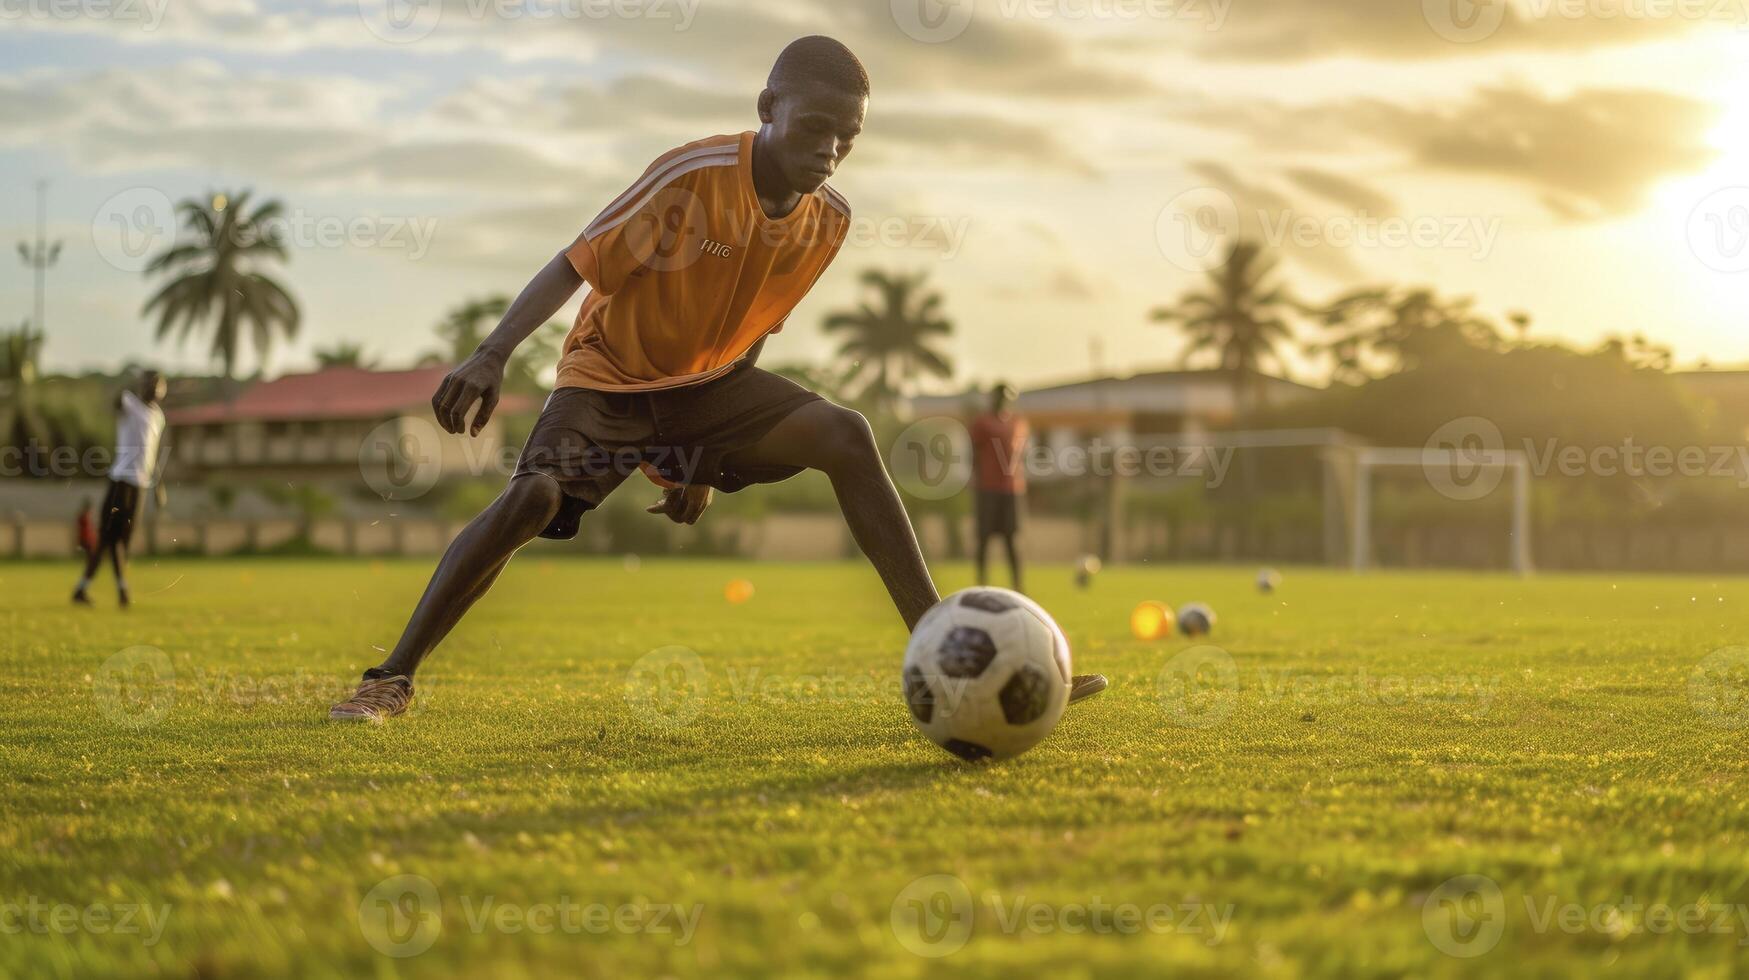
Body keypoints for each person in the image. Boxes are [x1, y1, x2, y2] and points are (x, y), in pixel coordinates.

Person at [329, 36, 1107, 721]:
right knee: (531, 498)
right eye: (813, 127)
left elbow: (753, 326)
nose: (830, 149)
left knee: (846, 432)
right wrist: (492, 354)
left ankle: (949, 650)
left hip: (710, 388)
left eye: (848, 136)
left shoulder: (827, 220)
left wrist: (700, 457)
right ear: (768, 106)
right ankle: (389, 678)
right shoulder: (691, 175)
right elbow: (576, 262)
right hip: (609, 379)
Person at [73, 370, 166, 608]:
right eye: (151, 382)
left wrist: (158, 484)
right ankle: (112, 590)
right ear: (143, 385)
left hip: (141, 485)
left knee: (121, 541)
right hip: (121, 480)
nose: (155, 387)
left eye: (159, 383)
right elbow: (117, 399)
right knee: (107, 538)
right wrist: (133, 382)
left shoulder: (159, 418)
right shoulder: (130, 403)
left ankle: (92, 590)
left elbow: (151, 454)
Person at [970, 383, 1028, 592]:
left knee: (1011, 538)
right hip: (987, 487)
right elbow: (974, 453)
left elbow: (1020, 455)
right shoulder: (982, 423)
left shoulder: (1018, 422)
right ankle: (981, 583)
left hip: (1011, 489)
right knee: (984, 537)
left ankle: (1018, 585)